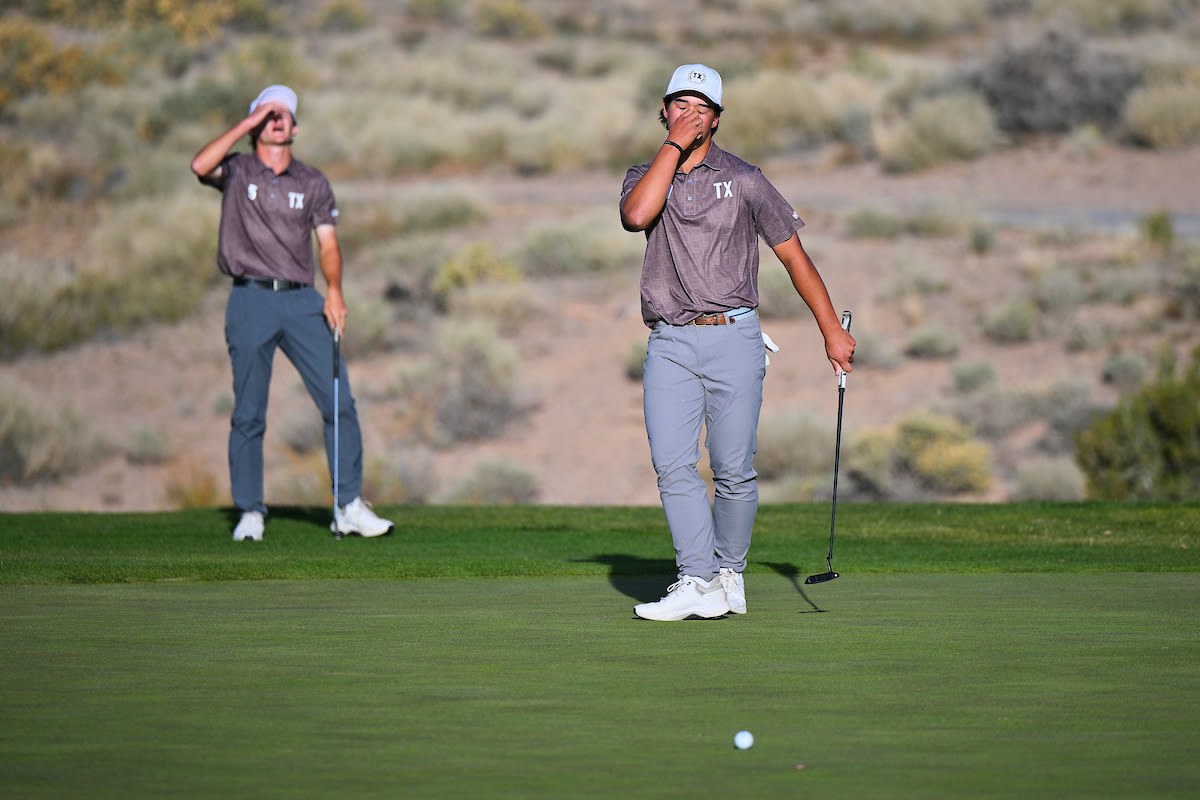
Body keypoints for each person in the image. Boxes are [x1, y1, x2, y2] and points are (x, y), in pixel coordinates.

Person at [620, 65, 855, 620]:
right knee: (674, 466)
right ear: (663, 112)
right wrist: (673, 148)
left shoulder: (746, 179)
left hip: (735, 336)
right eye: (680, 105)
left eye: (701, 108)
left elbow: (794, 257)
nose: (690, 115)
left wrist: (831, 330)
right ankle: (696, 579)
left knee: (732, 469)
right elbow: (637, 216)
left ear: (717, 120)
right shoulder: (643, 175)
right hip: (671, 341)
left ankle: (728, 571)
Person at [190, 84, 393, 542]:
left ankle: (347, 506)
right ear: (255, 125)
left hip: (302, 301)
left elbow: (328, 244)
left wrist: (334, 291)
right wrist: (247, 122)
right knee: (249, 411)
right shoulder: (237, 170)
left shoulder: (313, 182)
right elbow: (200, 165)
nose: (278, 119)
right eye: (269, 113)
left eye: (285, 114)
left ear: (296, 129)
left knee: (339, 402)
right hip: (250, 298)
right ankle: (250, 511)